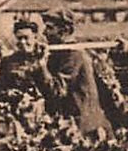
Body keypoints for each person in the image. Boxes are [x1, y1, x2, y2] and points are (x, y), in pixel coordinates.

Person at [41, 10, 122, 138]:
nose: (44, 32)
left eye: (50, 28)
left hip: (83, 126)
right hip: (77, 122)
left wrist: (40, 66)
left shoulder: (72, 54)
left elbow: (57, 90)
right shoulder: (61, 54)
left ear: (65, 30)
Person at [0, 18, 51, 103]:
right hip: (16, 109)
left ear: (35, 37)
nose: (22, 42)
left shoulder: (46, 58)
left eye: (26, 38)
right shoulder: (8, 61)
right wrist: (8, 93)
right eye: (19, 38)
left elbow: (52, 90)